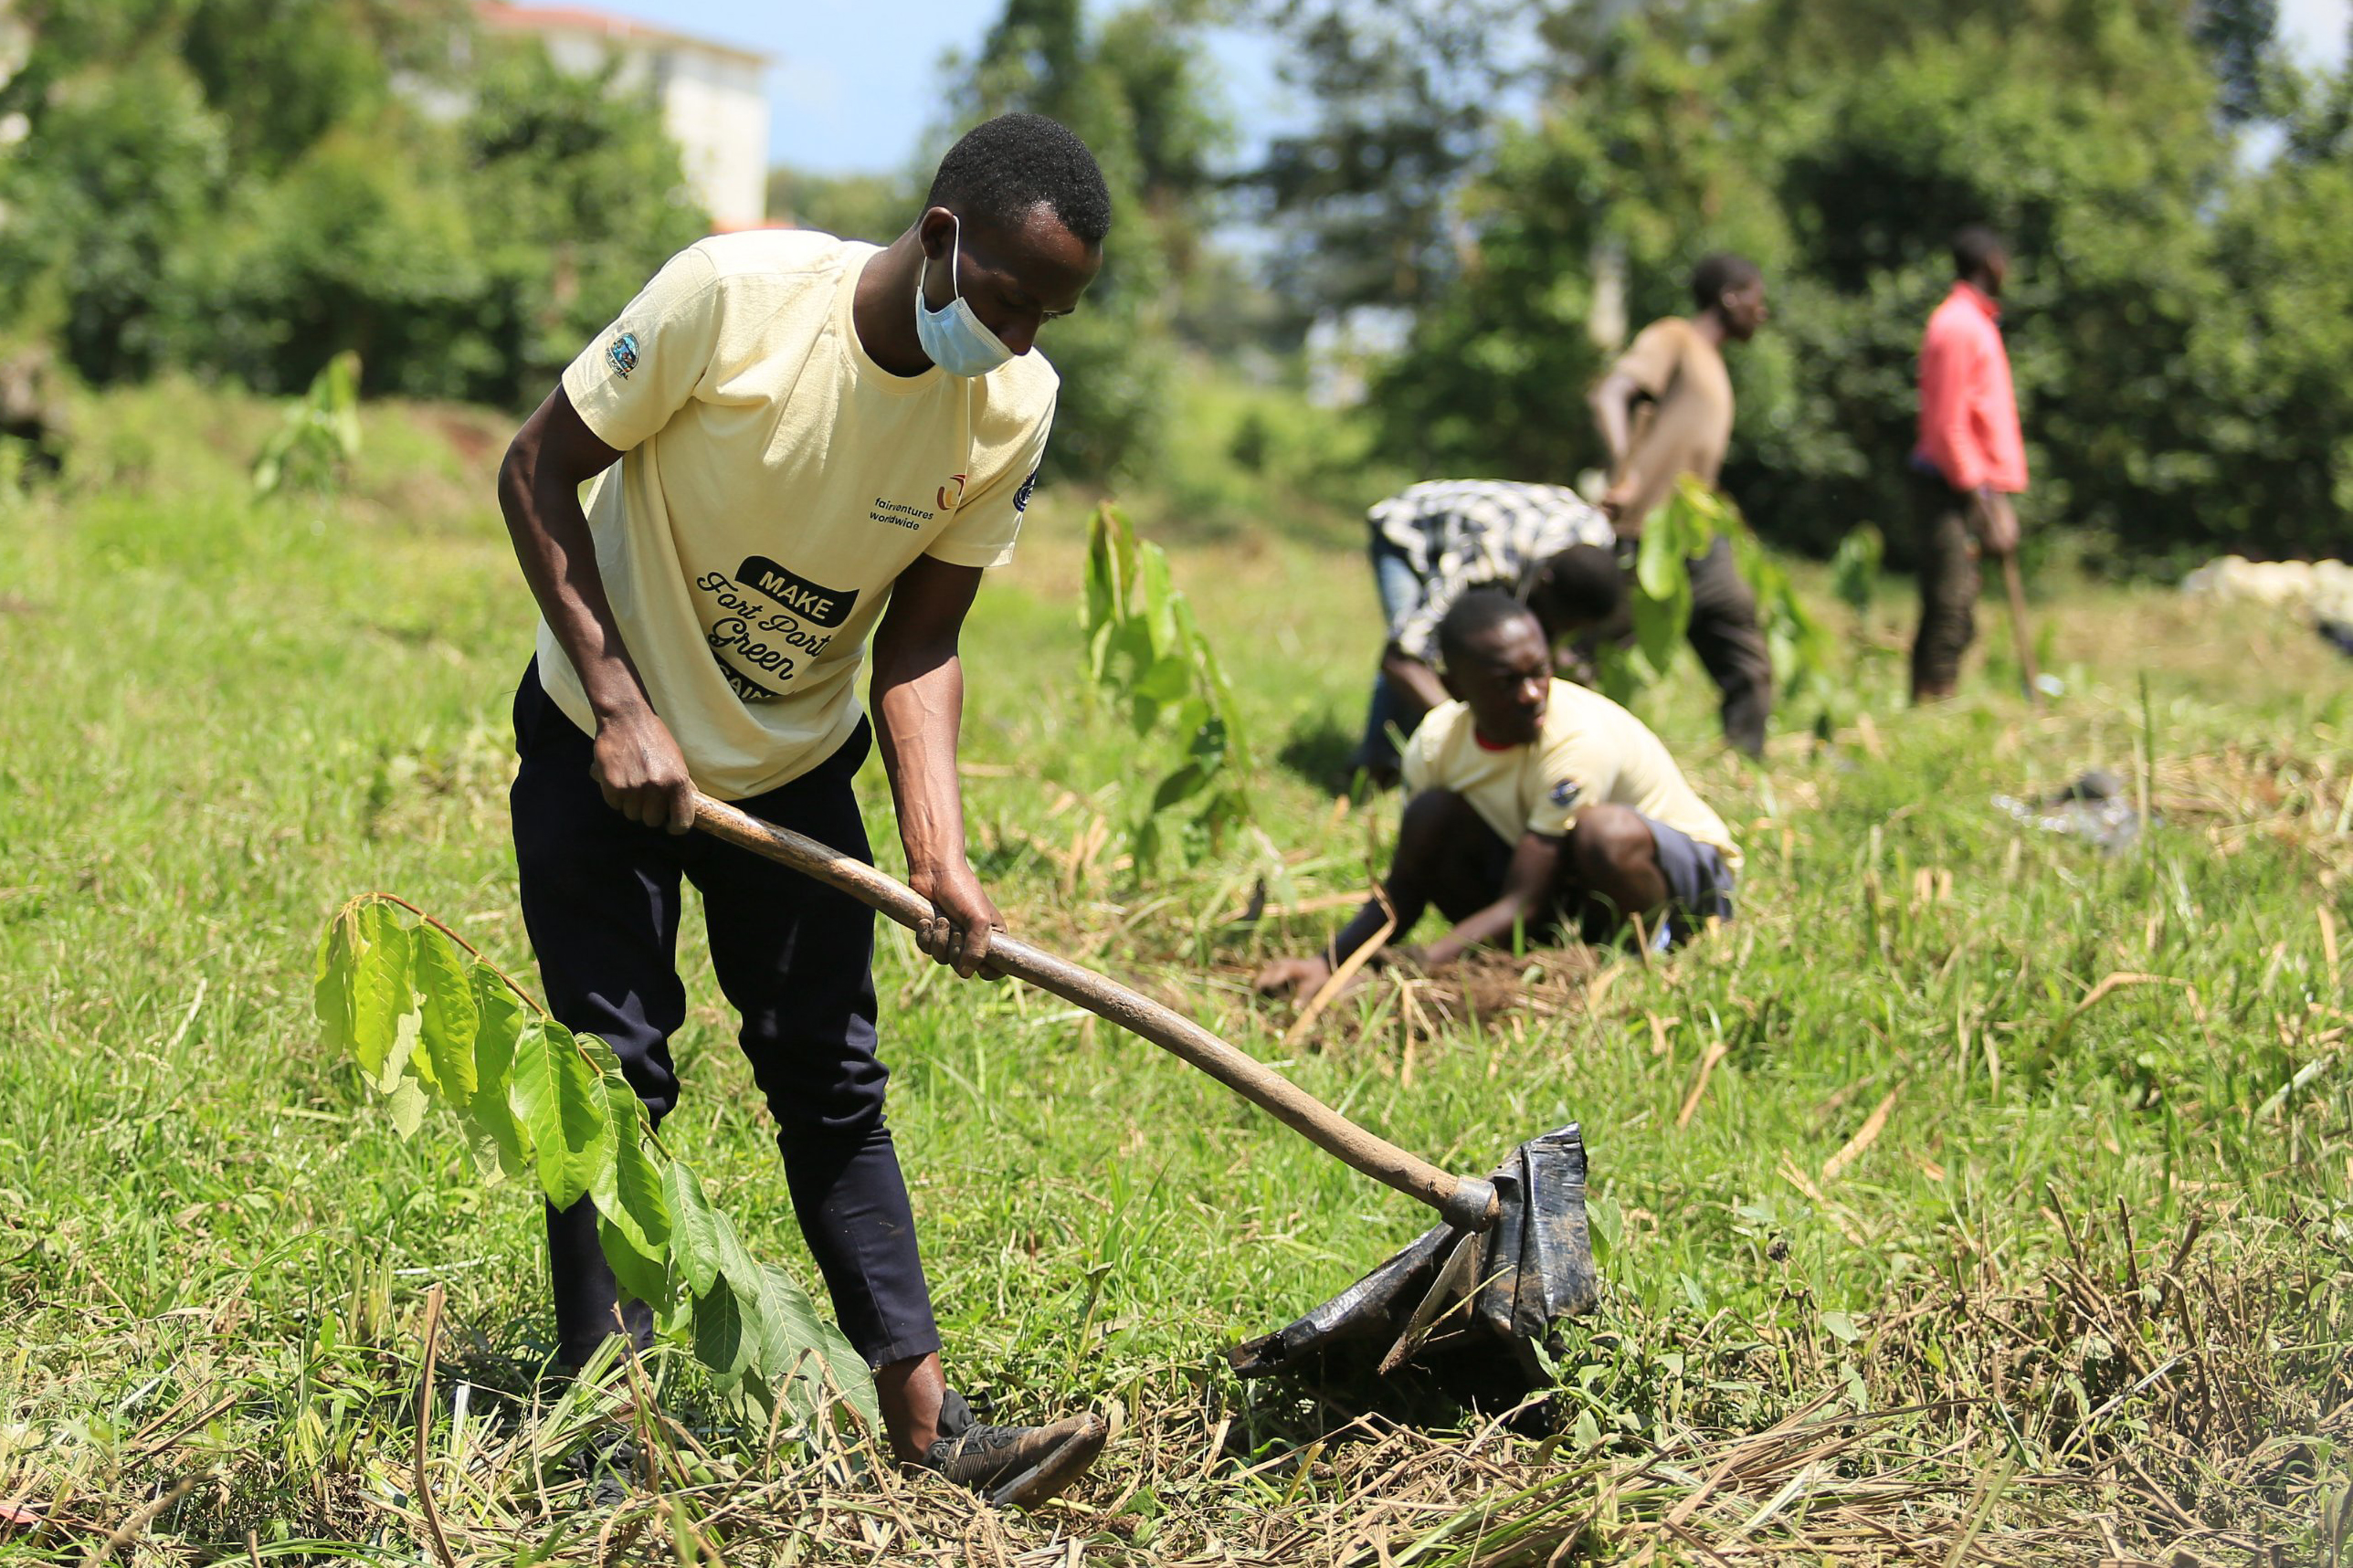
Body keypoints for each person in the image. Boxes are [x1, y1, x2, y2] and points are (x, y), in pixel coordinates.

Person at [494, 112, 1110, 1507]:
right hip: (608, 749)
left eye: (1049, 316)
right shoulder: (735, 300)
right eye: (1010, 301)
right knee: (615, 1072)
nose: (1018, 339)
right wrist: (622, 707)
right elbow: (535, 472)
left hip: (791, 766)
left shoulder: (1012, 404)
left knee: (831, 1085)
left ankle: (932, 1433)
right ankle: (608, 1432)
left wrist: (939, 851)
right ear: (944, 238)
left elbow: (921, 640)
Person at [1260, 593, 1740, 999]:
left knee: (1602, 832)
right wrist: (1331, 963)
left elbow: (1522, 901)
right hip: (1564, 881)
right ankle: (1556, 957)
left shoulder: (1575, 740)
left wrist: (1411, 967)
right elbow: (1408, 882)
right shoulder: (1436, 745)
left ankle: (1638, 958)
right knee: (1431, 815)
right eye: (1507, 682)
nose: (1533, 694)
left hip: (1685, 882)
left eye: (1540, 671)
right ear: (1454, 687)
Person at [1587, 255, 1775, 756]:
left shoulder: (1713, 365)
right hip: (1642, 536)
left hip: (1695, 537)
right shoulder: (1675, 337)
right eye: (1757, 295)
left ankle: (1746, 767)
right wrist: (1624, 471)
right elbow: (1610, 393)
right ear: (1730, 297)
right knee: (1591, 654)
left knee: (1745, 655)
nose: (1764, 309)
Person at [1347, 479, 1616, 786]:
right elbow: (1401, 659)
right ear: (1544, 583)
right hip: (1409, 529)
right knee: (1414, 641)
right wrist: (1471, 726)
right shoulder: (1489, 562)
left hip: (1491, 522)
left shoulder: (1600, 541)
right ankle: (1374, 768)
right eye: (1558, 623)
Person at [1908, 225, 2026, 701]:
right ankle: (1932, 712)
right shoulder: (1959, 326)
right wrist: (1980, 497)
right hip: (1947, 485)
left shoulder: (1973, 323)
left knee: (1956, 602)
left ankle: (1932, 702)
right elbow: (1948, 423)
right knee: (1950, 602)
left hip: (1963, 484)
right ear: (1993, 264)